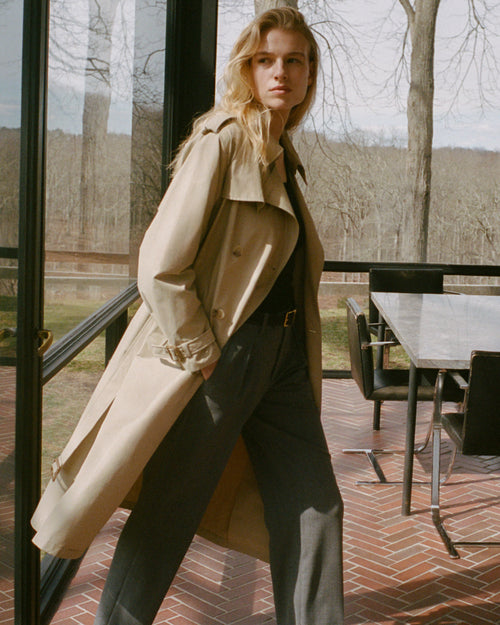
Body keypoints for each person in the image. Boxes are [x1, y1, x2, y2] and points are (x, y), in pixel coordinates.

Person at [32, 7, 344, 624]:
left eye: (294, 60)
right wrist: (203, 351)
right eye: (266, 60)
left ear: (310, 74)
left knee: (315, 506)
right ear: (247, 69)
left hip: (283, 362)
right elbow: (159, 264)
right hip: (225, 355)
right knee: (170, 510)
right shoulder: (223, 139)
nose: (280, 72)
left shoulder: (282, 153)